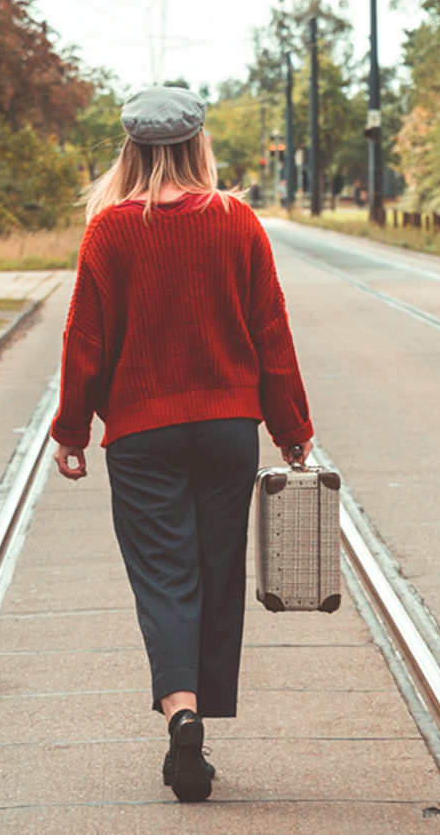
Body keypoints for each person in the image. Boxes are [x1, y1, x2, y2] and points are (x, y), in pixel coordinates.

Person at [49, 86, 314, 804]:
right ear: (200, 145)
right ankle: (201, 716)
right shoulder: (237, 222)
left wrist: (73, 431)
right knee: (216, 573)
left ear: (130, 151)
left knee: (165, 579)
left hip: (141, 436)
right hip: (228, 430)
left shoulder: (109, 231)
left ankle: (181, 711)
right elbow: (272, 333)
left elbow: (86, 342)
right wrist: (291, 430)